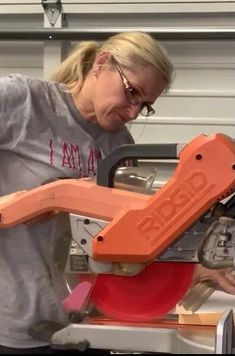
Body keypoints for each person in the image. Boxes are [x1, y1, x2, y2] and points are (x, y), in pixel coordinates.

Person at [0, 31, 234, 354]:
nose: (134, 112)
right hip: (12, 326)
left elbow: (123, 246)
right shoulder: (24, 102)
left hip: (84, 321)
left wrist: (198, 266)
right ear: (101, 63)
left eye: (146, 105)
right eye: (131, 92)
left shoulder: (121, 147)